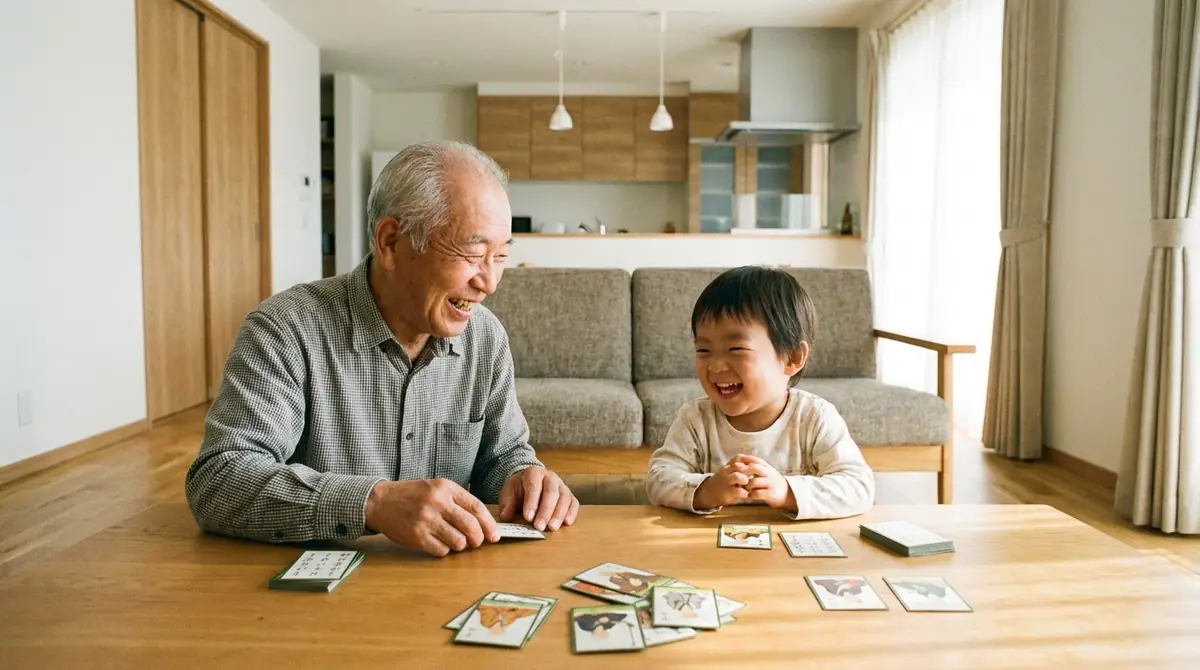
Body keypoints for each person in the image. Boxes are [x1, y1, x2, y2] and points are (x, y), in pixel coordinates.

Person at [185, 140, 579, 558]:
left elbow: (502, 455)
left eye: (499, 257)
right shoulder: (286, 328)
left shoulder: (485, 337)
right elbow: (219, 480)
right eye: (473, 253)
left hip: (444, 587)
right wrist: (371, 503)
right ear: (391, 242)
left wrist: (525, 477)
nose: (490, 282)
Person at [645, 265, 875, 519]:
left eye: (736, 349)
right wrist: (707, 490)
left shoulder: (814, 417)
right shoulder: (695, 418)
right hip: (708, 548)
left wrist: (786, 492)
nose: (716, 366)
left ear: (792, 358)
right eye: (704, 350)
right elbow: (658, 479)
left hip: (789, 552)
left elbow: (858, 486)